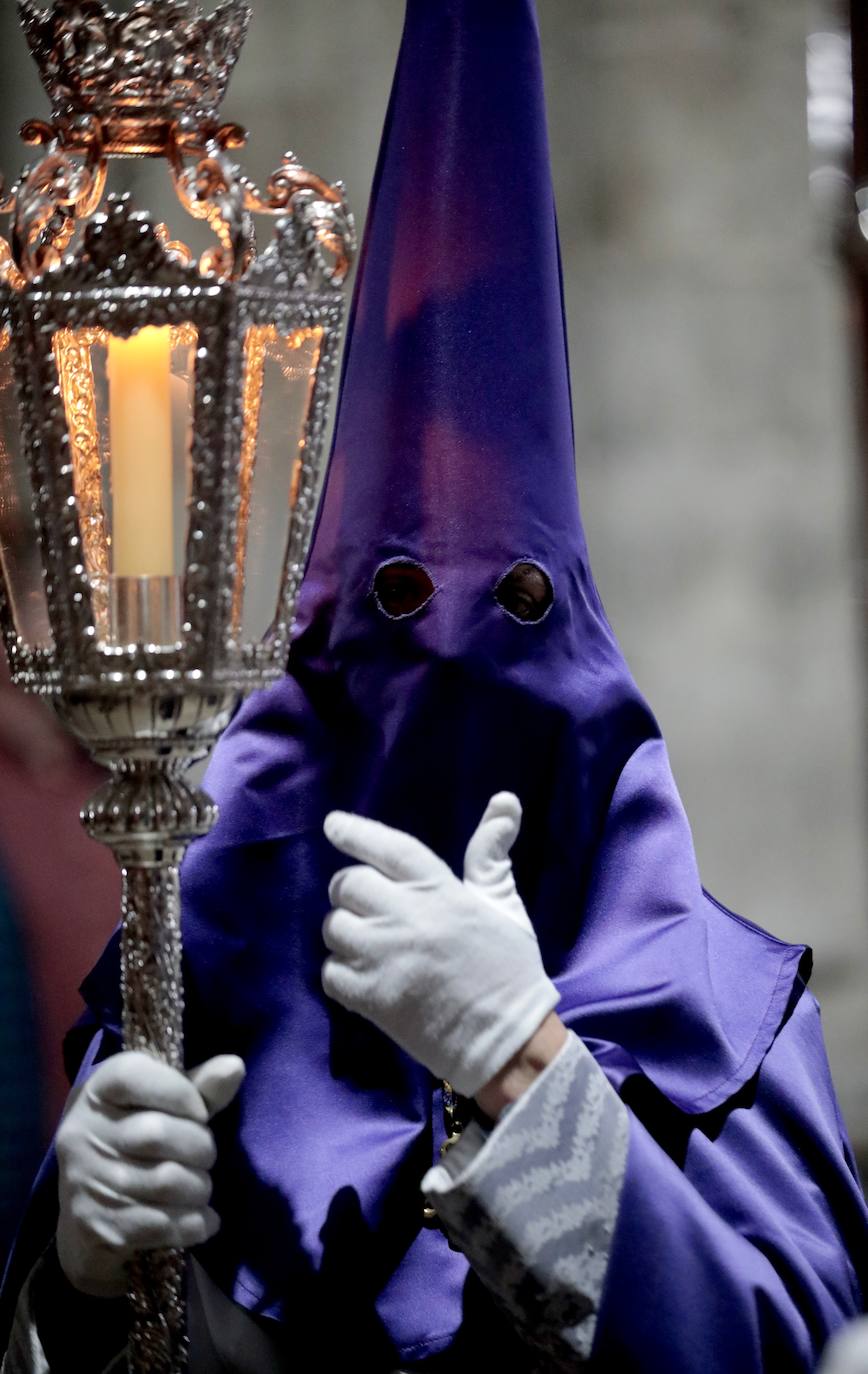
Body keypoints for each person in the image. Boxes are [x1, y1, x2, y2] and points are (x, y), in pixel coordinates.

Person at [2, 1, 866, 1370]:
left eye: (517, 606)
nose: (452, 658)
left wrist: (527, 1060)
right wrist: (77, 1278)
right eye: (395, 602)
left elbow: (778, 1348)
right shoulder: (191, 980)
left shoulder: (726, 1017)